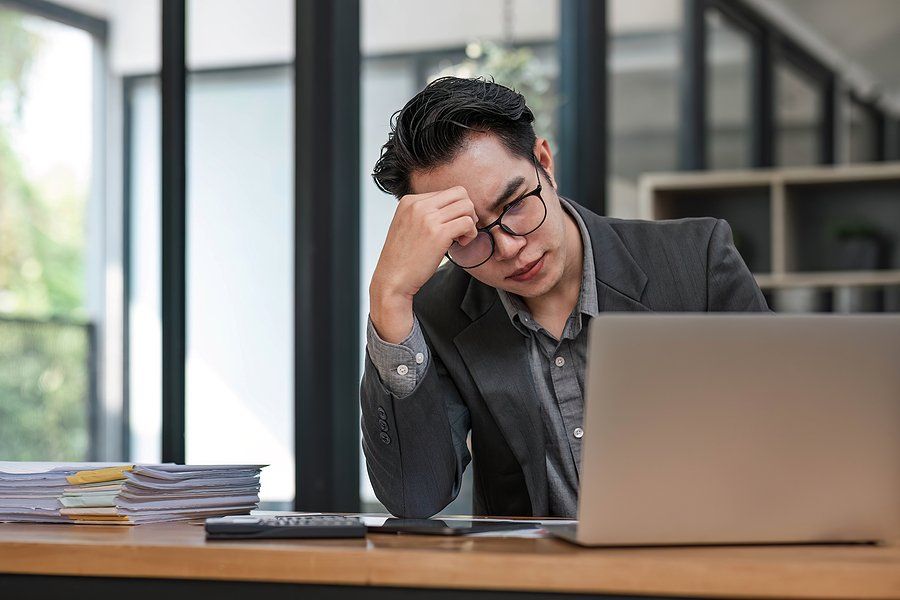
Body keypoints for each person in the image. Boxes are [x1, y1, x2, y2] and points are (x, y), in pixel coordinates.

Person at [360, 76, 769, 519]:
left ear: (544, 162)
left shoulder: (696, 260)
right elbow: (414, 497)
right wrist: (390, 299)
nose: (510, 247)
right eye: (467, 235)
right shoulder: (436, 314)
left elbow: (785, 433)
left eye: (515, 204)